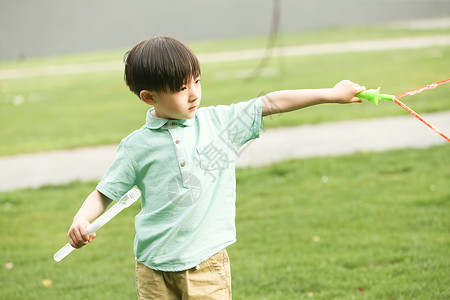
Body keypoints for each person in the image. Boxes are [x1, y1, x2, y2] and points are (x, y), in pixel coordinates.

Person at [67, 36, 365, 300]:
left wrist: (330, 94)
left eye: (197, 81)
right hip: (153, 268)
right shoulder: (136, 147)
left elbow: (271, 102)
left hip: (206, 264)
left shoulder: (219, 123)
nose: (194, 93)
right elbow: (105, 192)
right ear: (149, 97)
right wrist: (82, 219)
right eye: (181, 88)